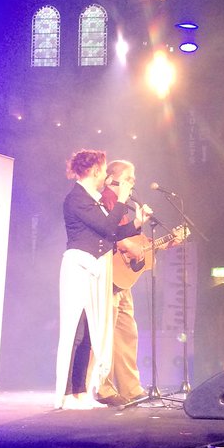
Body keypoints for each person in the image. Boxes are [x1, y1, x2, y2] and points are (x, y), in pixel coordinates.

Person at [54, 149, 149, 411]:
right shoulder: (76, 198)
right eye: (103, 169)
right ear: (94, 170)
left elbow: (112, 233)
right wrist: (121, 198)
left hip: (96, 268)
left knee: (90, 333)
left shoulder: (93, 199)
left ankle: (81, 391)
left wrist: (137, 223)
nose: (106, 174)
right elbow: (107, 228)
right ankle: (67, 393)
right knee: (77, 330)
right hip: (79, 267)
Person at [95, 159, 149, 408]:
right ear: (113, 178)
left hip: (122, 279)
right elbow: (108, 235)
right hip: (107, 275)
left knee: (128, 332)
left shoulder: (123, 207)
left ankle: (130, 387)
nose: (133, 181)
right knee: (105, 334)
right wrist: (127, 244)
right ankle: (103, 387)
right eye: (129, 177)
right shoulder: (105, 199)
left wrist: (138, 223)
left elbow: (124, 235)